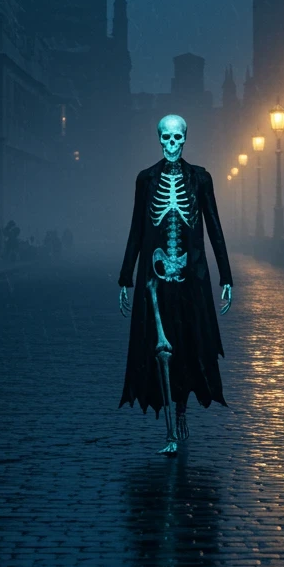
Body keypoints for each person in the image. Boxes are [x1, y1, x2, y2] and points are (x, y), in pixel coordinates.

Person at [118, 114, 233, 455]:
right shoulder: (146, 179)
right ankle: (168, 416)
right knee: (157, 346)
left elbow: (214, 227)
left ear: (185, 139)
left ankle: (181, 408)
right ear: (159, 140)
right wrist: (126, 276)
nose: (171, 144)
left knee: (188, 343)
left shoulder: (200, 178)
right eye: (166, 138)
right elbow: (137, 229)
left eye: (177, 138)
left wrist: (226, 276)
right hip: (154, 280)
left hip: (190, 279)